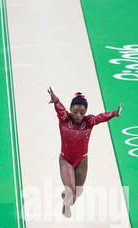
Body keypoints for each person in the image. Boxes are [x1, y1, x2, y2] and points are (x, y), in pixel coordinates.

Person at [48, 87, 123, 218]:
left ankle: (66, 200)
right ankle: (67, 198)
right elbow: (60, 109)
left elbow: (100, 117)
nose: (78, 115)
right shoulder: (65, 119)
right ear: (70, 110)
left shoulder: (89, 121)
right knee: (71, 193)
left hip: (82, 161)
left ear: (86, 112)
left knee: (77, 194)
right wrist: (56, 100)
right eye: (75, 112)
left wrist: (114, 113)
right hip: (66, 160)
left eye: (82, 113)